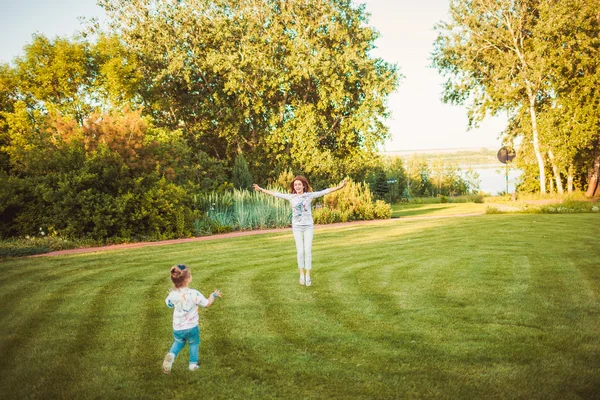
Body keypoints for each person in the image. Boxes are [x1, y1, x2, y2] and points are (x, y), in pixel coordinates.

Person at [253, 176, 346, 286]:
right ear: (294, 187)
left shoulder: (309, 195)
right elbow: (275, 194)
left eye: (299, 184)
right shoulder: (291, 197)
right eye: (295, 185)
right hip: (297, 227)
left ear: (303, 186)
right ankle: (301, 274)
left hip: (308, 226)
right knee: (300, 251)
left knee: (308, 250)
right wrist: (261, 189)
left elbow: (325, 191)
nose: (297, 186)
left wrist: (340, 187)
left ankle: (308, 275)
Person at [162, 264, 222, 374]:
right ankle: (193, 365)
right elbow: (207, 304)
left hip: (177, 327)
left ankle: (171, 354)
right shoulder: (194, 293)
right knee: (194, 343)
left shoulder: (172, 294)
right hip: (191, 327)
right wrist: (213, 295)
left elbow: (169, 304)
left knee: (178, 342)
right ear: (189, 279)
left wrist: (171, 296)